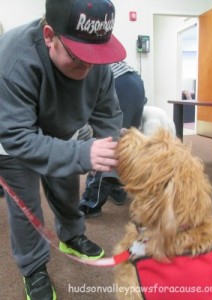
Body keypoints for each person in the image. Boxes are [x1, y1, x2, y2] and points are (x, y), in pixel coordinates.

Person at [0, 0, 126, 299]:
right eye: (78, 56)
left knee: (67, 190)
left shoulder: (96, 63)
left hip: (62, 127)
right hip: (13, 136)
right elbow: (18, 135)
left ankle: (72, 235)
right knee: (25, 207)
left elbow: (108, 114)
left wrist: (110, 150)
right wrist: (82, 154)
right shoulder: (14, 58)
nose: (88, 65)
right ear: (48, 36)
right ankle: (34, 268)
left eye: (95, 57)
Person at [79, 61, 146, 217]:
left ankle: (91, 204)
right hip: (135, 80)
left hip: (119, 82)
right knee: (123, 143)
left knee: (107, 145)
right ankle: (118, 190)